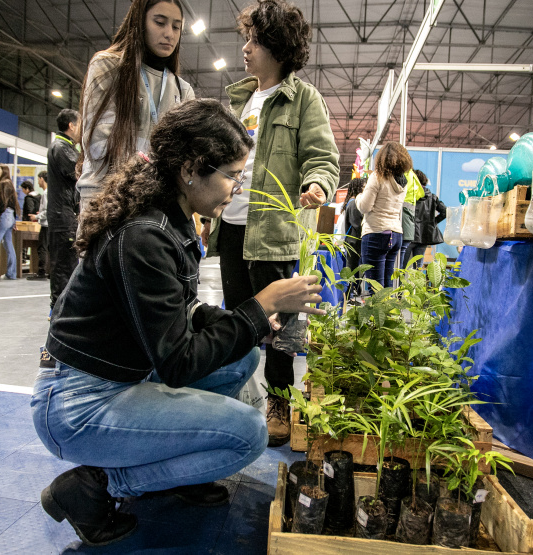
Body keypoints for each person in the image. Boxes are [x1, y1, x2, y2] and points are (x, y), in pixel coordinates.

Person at [33, 99, 324, 547]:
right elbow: (177, 362)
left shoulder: (172, 218)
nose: (236, 187)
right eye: (231, 175)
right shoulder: (144, 234)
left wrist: (252, 323)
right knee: (249, 435)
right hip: (76, 405)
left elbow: (182, 312)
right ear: (190, 169)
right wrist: (258, 303)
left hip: (118, 378)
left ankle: (177, 469)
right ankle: (99, 486)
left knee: (242, 354)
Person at [202, 0, 339, 447]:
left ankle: (281, 402)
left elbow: (323, 158)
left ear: (277, 48)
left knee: (280, 327)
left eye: (254, 41)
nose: (245, 48)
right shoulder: (240, 101)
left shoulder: (304, 100)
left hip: (275, 233)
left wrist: (317, 185)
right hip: (235, 228)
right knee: (240, 321)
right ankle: (240, 397)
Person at [76, 0, 195, 208]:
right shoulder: (107, 66)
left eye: (176, 27)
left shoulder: (182, 89)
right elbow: (98, 145)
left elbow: (186, 156)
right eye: (160, 22)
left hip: (156, 202)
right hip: (105, 196)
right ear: (139, 23)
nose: (169, 33)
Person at [357, 142, 410, 291]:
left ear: (381, 159)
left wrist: (358, 197)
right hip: (396, 234)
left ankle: (379, 315)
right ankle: (389, 314)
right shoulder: (403, 182)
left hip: (376, 232)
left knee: (375, 288)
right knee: (387, 287)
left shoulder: (377, 177)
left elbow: (364, 206)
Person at [47, 109, 81, 315]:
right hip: (63, 216)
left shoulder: (65, 147)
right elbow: (78, 172)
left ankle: (62, 308)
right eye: (80, 125)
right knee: (63, 265)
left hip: (65, 213)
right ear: (71, 125)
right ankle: (59, 310)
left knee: (66, 263)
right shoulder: (62, 148)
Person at [404, 169, 446, 265]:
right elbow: (444, 212)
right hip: (424, 237)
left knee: (402, 267)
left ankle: (401, 281)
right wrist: (432, 222)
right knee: (418, 267)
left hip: (409, 234)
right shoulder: (432, 197)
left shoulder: (411, 195)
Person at [339, 177, 365, 295]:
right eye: (364, 187)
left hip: (351, 241)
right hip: (354, 242)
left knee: (352, 267)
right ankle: (349, 293)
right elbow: (357, 225)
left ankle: (350, 292)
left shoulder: (350, 202)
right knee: (352, 268)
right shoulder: (354, 203)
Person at [399, 168, 425, 269]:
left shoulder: (403, 174)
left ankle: (398, 282)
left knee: (401, 262)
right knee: (418, 267)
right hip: (418, 232)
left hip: (403, 221)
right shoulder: (431, 197)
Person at [27, 171, 49, 280]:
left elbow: (47, 210)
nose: (38, 181)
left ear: (42, 179)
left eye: (38, 179)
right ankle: (48, 271)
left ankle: (41, 272)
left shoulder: (46, 193)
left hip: (46, 225)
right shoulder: (50, 192)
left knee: (42, 248)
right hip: (49, 224)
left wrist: (36, 217)